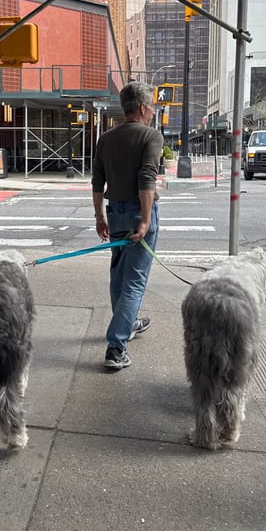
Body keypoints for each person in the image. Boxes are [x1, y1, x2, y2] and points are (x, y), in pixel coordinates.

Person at [91, 82, 163, 369]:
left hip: (115, 212)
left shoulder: (106, 138)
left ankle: (127, 323)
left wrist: (99, 216)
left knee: (119, 274)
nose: (154, 111)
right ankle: (116, 347)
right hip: (138, 212)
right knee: (135, 280)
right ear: (143, 107)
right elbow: (147, 179)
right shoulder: (150, 136)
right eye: (153, 106)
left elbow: (98, 180)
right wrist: (145, 220)